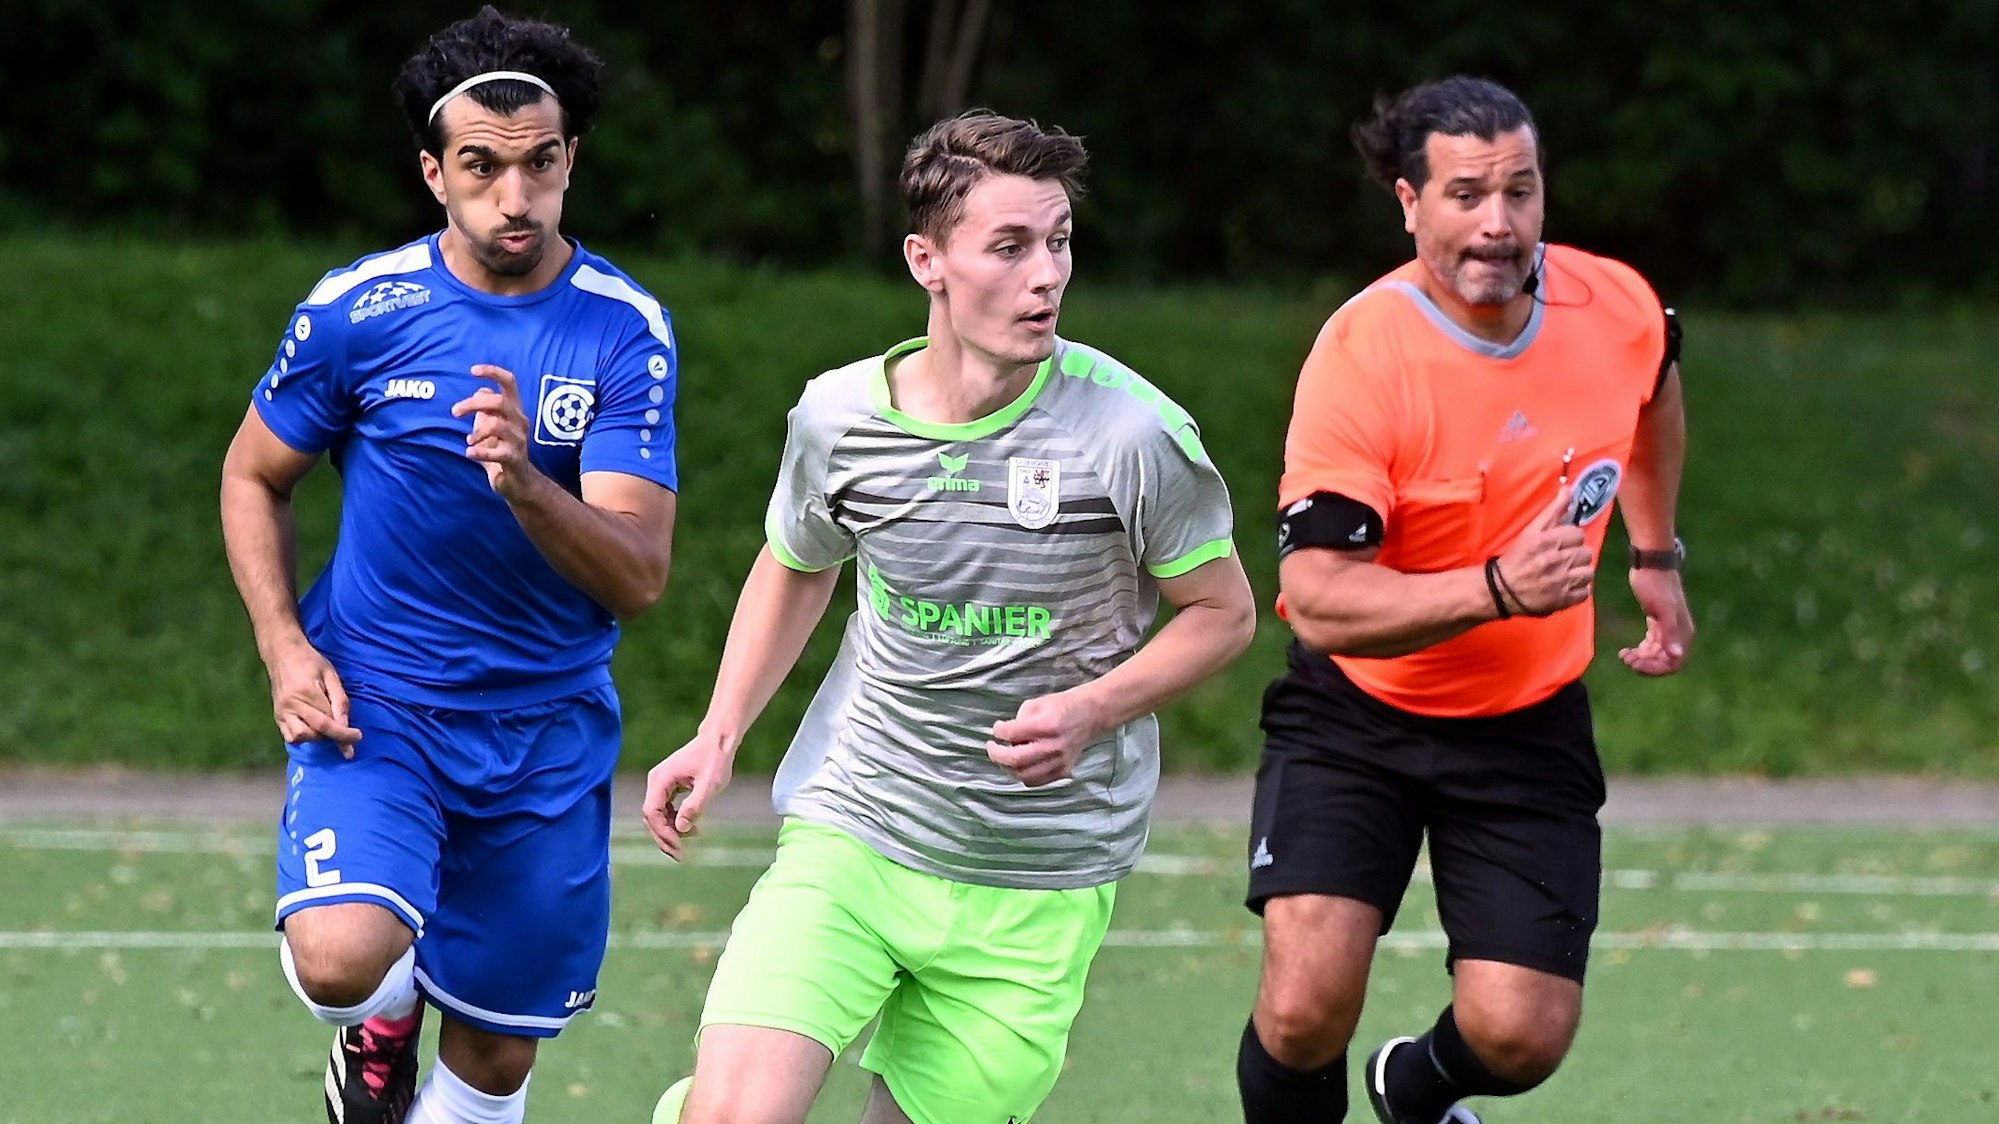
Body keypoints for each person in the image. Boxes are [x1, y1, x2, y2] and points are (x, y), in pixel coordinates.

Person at [640, 109, 1257, 1124]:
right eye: (1008, 247)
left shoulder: (1134, 434)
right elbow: (797, 564)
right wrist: (718, 733)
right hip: (860, 826)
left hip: (1040, 874)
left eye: (1057, 241)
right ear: (927, 259)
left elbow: (1222, 613)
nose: (1046, 274)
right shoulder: (840, 418)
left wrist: (1094, 708)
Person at [217, 9, 679, 1122]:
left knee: (495, 1058)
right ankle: (379, 1018)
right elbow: (252, 476)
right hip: (378, 705)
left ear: (571, 161)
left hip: (543, 724)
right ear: (435, 171)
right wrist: (285, 647)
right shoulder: (357, 311)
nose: (513, 197)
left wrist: (527, 480)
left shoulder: (624, 332)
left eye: (539, 164)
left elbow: (637, 574)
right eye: (481, 166)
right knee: (340, 956)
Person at [1235, 76, 1695, 1124]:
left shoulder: (1612, 302)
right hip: (1356, 712)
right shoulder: (1363, 354)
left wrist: (1655, 552)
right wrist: (1496, 589)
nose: (1499, 222)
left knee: (1519, 1033)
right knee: (1304, 1005)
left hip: (1524, 721)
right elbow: (1316, 594)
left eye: (1521, 191)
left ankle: (1416, 1087)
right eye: (1466, 193)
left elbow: (1656, 375)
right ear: (1408, 203)